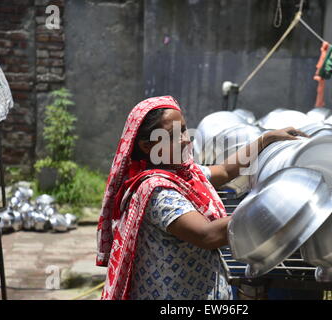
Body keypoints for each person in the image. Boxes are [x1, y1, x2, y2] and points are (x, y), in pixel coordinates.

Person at [96, 96, 307, 300]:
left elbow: (224, 171)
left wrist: (266, 140)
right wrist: (273, 206)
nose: (186, 139)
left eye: (184, 130)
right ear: (147, 146)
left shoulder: (184, 173)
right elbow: (208, 236)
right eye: (173, 135)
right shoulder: (156, 191)